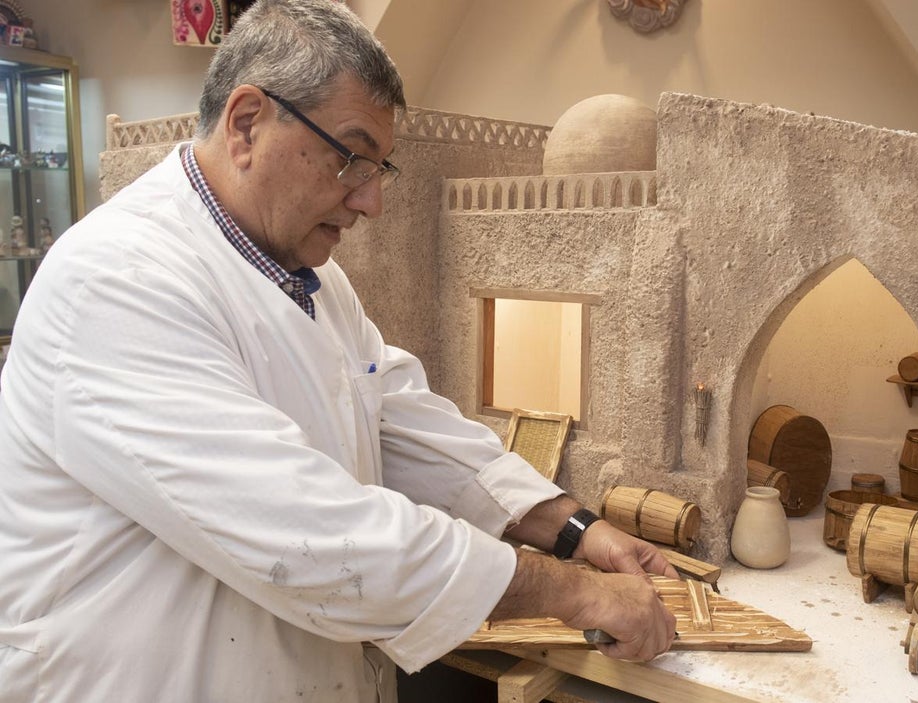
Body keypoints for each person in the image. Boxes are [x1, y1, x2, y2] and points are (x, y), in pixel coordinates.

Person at [0, 1, 678, 701]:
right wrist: (570, 592)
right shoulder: (115, 280)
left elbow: (405, 419)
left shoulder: (310, 278)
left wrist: (575, 530)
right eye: (352, 158)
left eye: (381, 169)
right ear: (245, 124)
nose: (370, 202)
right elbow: (302, 531)